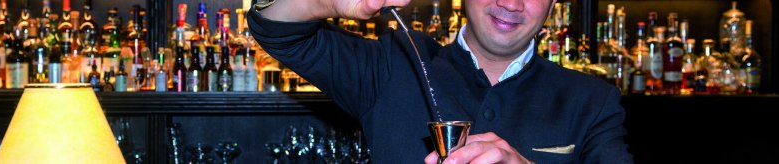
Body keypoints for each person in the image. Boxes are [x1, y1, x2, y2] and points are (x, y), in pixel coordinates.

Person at [248, 0, 633, 163]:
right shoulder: (392, 63)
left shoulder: (591, 100)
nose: (513, 4)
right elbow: (276, 30)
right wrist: (331, 4)